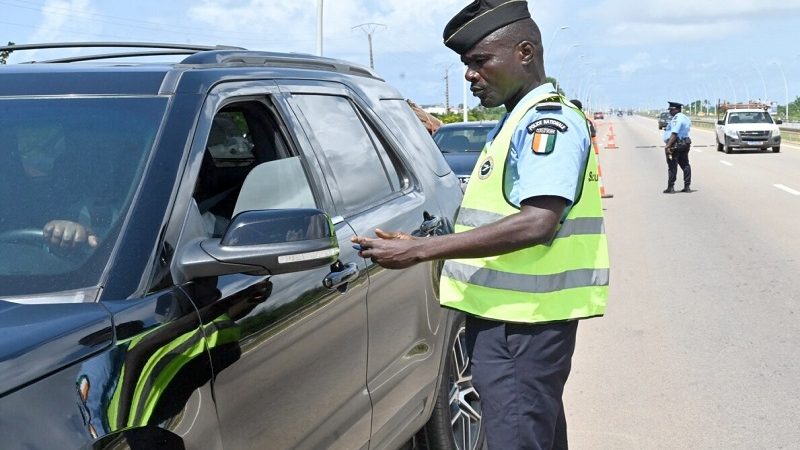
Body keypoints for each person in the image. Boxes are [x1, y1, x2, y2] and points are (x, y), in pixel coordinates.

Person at [352, 1, 609, 448]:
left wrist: (419, 250)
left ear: (525, 53)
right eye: (466, 64)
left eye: (479, 61)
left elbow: (537, 223)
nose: (470, 74)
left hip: (520, 325)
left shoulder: (545, 124)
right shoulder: (518, 120)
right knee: (536, 434)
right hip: (516, 320)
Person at [663, 101, 692, 193]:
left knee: (672, 166)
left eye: (671, 110)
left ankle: (670, 187)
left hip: (676, 144)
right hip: (685, 143)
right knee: (685, 164)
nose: (670, 112)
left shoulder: (677, 118)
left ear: (677, 109)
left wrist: (668, 146)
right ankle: (687, 186)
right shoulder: (685, 117)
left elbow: (674, 133)